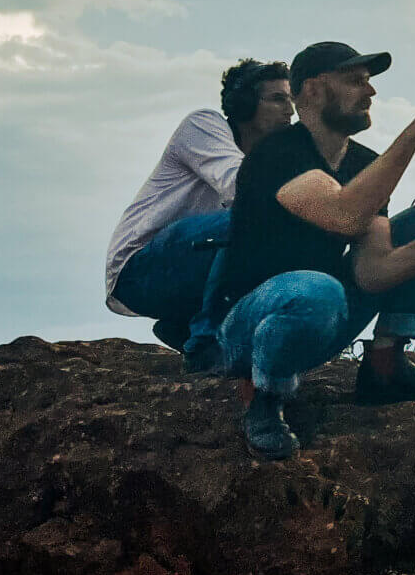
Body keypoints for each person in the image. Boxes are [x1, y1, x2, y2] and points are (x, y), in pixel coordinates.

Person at [212, 40, 415, 459]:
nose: (370, 91)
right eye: (355, 81)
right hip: (248, 328)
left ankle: (385, 367)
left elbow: (373, 273)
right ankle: (261, 398)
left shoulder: (363, 162)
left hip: (319, 317)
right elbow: (344, 216)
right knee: (315, 289)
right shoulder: (278, 152)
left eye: (369, 82)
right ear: (313, 91)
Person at [105, 58, 294, 367]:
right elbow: (241, 187)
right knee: (262, 220)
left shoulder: (270, 159)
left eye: (291, 100)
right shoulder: (203, 126)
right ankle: (205, 345)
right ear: (244, 104)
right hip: (138, 270)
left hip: (187, 272)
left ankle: (183, 325)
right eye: (277, 99)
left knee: (289, 237)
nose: (290, 110)